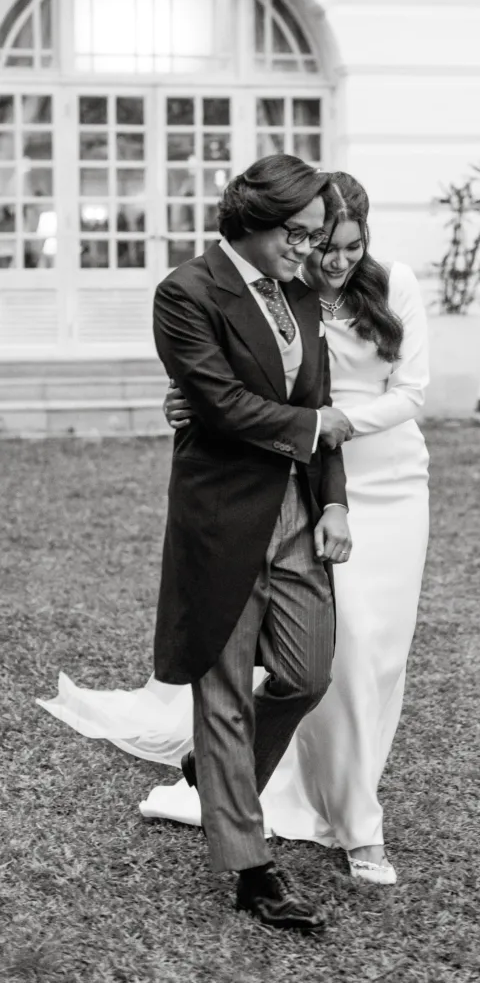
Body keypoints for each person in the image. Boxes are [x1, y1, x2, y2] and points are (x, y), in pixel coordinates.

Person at [38, 169, 429, 892]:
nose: (322, 253)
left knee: (331, 669)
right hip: (246, 495)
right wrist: (203, 403)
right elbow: (226, 395)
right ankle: (291, 854)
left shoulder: (329, 290)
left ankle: (226, 767)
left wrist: (330, 480)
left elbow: (347, 397)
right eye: (308, 237)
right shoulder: (213, 288)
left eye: (337, 241)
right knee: (280, 673)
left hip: (341, 490)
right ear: (265, 225)